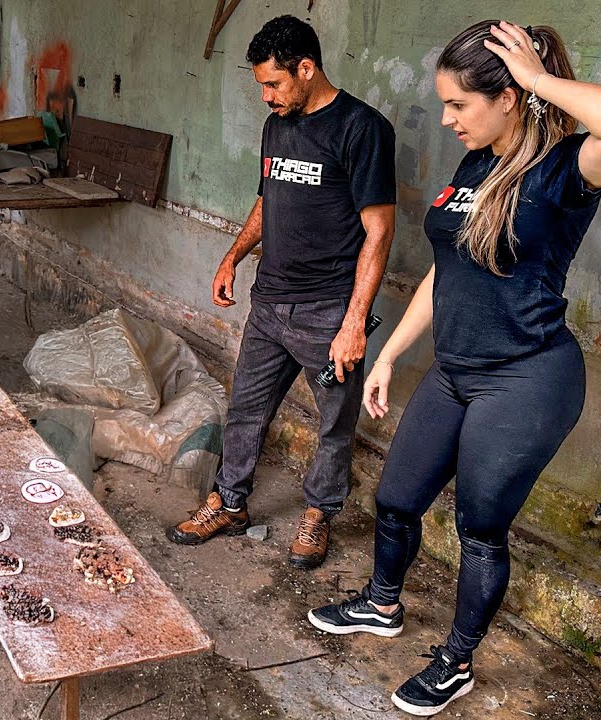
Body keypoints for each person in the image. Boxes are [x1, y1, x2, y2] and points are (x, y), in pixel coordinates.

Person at [305, 20, 601, 716]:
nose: (447, 118)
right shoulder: (474, 165)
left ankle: (457, 660)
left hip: (527, 378)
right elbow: (448, 270)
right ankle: (381, 605)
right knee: (398, 498)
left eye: (459, 104)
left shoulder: (566, 169)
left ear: (508, 96)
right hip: (456, 369)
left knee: (480, 528)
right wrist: (393, 353)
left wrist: (540, 81)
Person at [165, 15, 396, 570]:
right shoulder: (278, 123)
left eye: (274, 84)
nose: (266, 96)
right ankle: (229, 502)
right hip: (270, 303)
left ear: (307, 68)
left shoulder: (361, 129)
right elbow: (268, 200)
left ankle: (318, 514)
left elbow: (380, 229)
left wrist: (352, 322)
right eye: (262, 86)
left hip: (327, 311)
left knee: (333, 424)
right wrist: (232, 256)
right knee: (245, 409)